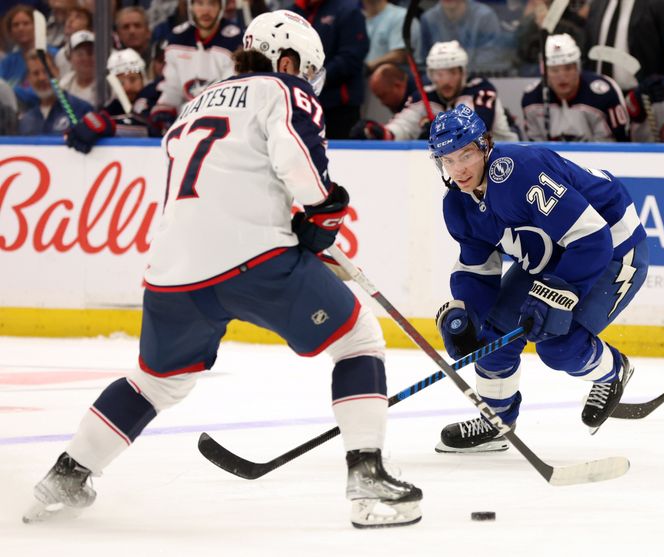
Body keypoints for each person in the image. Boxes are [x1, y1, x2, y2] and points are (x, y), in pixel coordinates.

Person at [24, 9, 421, 530]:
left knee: (154, 383)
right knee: (358, 341)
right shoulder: (284, 90)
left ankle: (66, 476)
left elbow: (222, 178)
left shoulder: (193, 103)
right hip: (254, 259)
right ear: (285, 59)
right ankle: (368, 479)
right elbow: (301, 168)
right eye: (303, 68)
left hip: (171, 272)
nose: (306, 81)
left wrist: (296, 220)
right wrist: (324, 213)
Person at [427, 104, 648, 452]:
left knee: (558, 345)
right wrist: (466, 314)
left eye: (466, 154)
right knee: (490, 334)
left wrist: (554, 296)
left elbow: (592, 240)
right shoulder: (457, 204)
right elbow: (477, 268)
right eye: (448, 159)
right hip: (552, 255)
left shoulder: (518, 172)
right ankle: (496, 419)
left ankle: (613, 370)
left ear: (485, 144)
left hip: (614, 247)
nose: (458, 169)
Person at [352, 41, 519, 141]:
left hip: (501, 158)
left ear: (463, 73)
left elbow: (477, 130)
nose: (445, 81)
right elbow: (403, 127)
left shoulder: (481, 90)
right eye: (439, 74)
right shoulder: (423, 96)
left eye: (452, 73)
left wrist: (438, 128)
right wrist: (380, 133)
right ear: (431, 75)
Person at [150, 0, 242, 134]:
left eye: (212, 4)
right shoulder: (177, 38)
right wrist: (165, 108)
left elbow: (232, 94)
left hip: (224, 123)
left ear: (221, 7)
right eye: (199, 3)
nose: (205, 11)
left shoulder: (235, 41)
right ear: (190, 6)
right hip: (186, 123)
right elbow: (172, 87)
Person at [522, 34, 629, 142]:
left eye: (568, 68)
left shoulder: (602, 95)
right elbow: (536, 147)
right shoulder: (532, 99)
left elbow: (619, 142)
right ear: (545, 72)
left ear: (578, 68)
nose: (562, 76)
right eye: (554, 70)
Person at [290, 0, 369, 139]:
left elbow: (352, 57)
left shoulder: (348, 10)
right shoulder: (292, 13)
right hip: (299, 105)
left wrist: (316, 78)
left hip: (339, 107)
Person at [64, 49, 162, 153]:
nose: (127, 87)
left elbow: (150, 129)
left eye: (133, 79)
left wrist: (108, 126)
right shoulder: (111, 109)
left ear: (144, 78)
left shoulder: (156, 98)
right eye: (120, 82)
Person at [18, 49, 92, 135]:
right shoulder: (26, 120)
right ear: (29, 79)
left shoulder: (79, 109)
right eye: (35, 73)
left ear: (57, 71)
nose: (41, 78)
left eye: (46, 71)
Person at [59, 29, 96, 107]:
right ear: (70, 58)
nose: (86, 58)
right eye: (80, 54)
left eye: (90, 52)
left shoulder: (107, 84)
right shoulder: (64, 85)